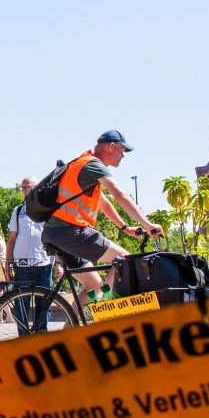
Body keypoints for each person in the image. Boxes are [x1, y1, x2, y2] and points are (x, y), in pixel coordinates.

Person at [40, 130, 162, 308]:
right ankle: (108, 310)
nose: (123, 156)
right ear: (111, 147)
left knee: (94, 286)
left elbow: (104, 204)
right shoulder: (93, 165)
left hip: (55, 233)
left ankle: (70, 330)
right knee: (124, 260)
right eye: (122, 150)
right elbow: (120, 195)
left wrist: (125, 228)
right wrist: (148, 224)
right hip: (70, 231)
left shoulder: (83, 164)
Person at [6, 178, 55, 335]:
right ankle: (23, 337)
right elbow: (12, 238)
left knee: (43, 305)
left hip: (44, 263)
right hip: (22, 264)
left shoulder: (48, 209)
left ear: (37, 188)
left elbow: (55, 237)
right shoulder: (18, 210)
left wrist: (59, 262)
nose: (25, 189)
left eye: (29, 186)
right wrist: (8, 263)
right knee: (21, 305)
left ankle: (41, 337)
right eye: (23, 187)